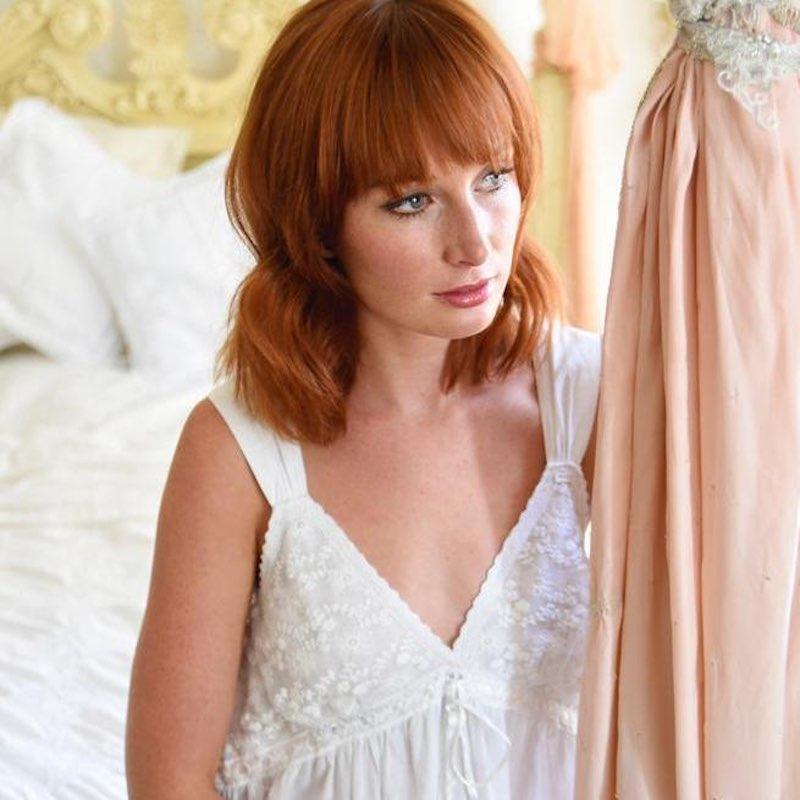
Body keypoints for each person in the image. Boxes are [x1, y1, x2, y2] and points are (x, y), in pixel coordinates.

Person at [125, 0, 602, 797]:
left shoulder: (584, 399)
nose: (476, 242)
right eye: (411, 201)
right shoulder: (237, 450)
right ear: (317, 225)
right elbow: (171, 780)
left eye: (492, 177)